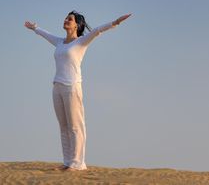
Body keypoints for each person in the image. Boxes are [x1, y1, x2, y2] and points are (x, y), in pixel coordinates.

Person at [24, 11, 131, 171]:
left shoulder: (81, 42)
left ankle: (78, 163)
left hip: (72, 86)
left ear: (77, 25)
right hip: (57, 87)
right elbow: (45, 35)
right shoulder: (60, 42)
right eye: (66, 17)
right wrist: (35, 28)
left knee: (75, 126)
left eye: (70, 19)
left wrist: (115, 22)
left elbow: (96, 31)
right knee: (63, 126)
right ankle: (67, 162)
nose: (66, 20)